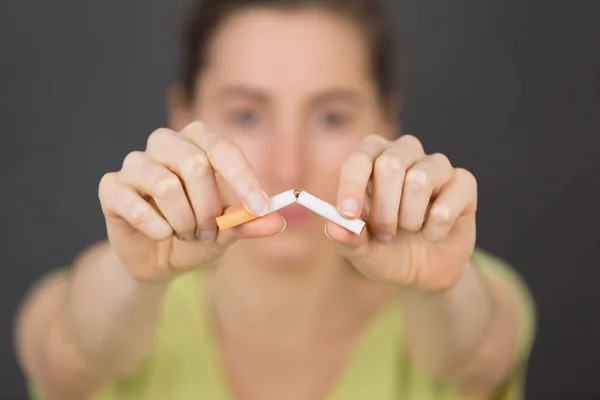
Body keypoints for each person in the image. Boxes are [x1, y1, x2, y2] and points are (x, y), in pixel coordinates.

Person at [14, 0, 536, 399]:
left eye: (331, 117)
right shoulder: (109, 300)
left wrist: (439, 287)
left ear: (383, 124)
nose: (288, 167)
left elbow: (479, 356)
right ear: (183, 118)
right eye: (246, 114)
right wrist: (133, 271)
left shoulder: (461, 294)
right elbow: (68, 355)